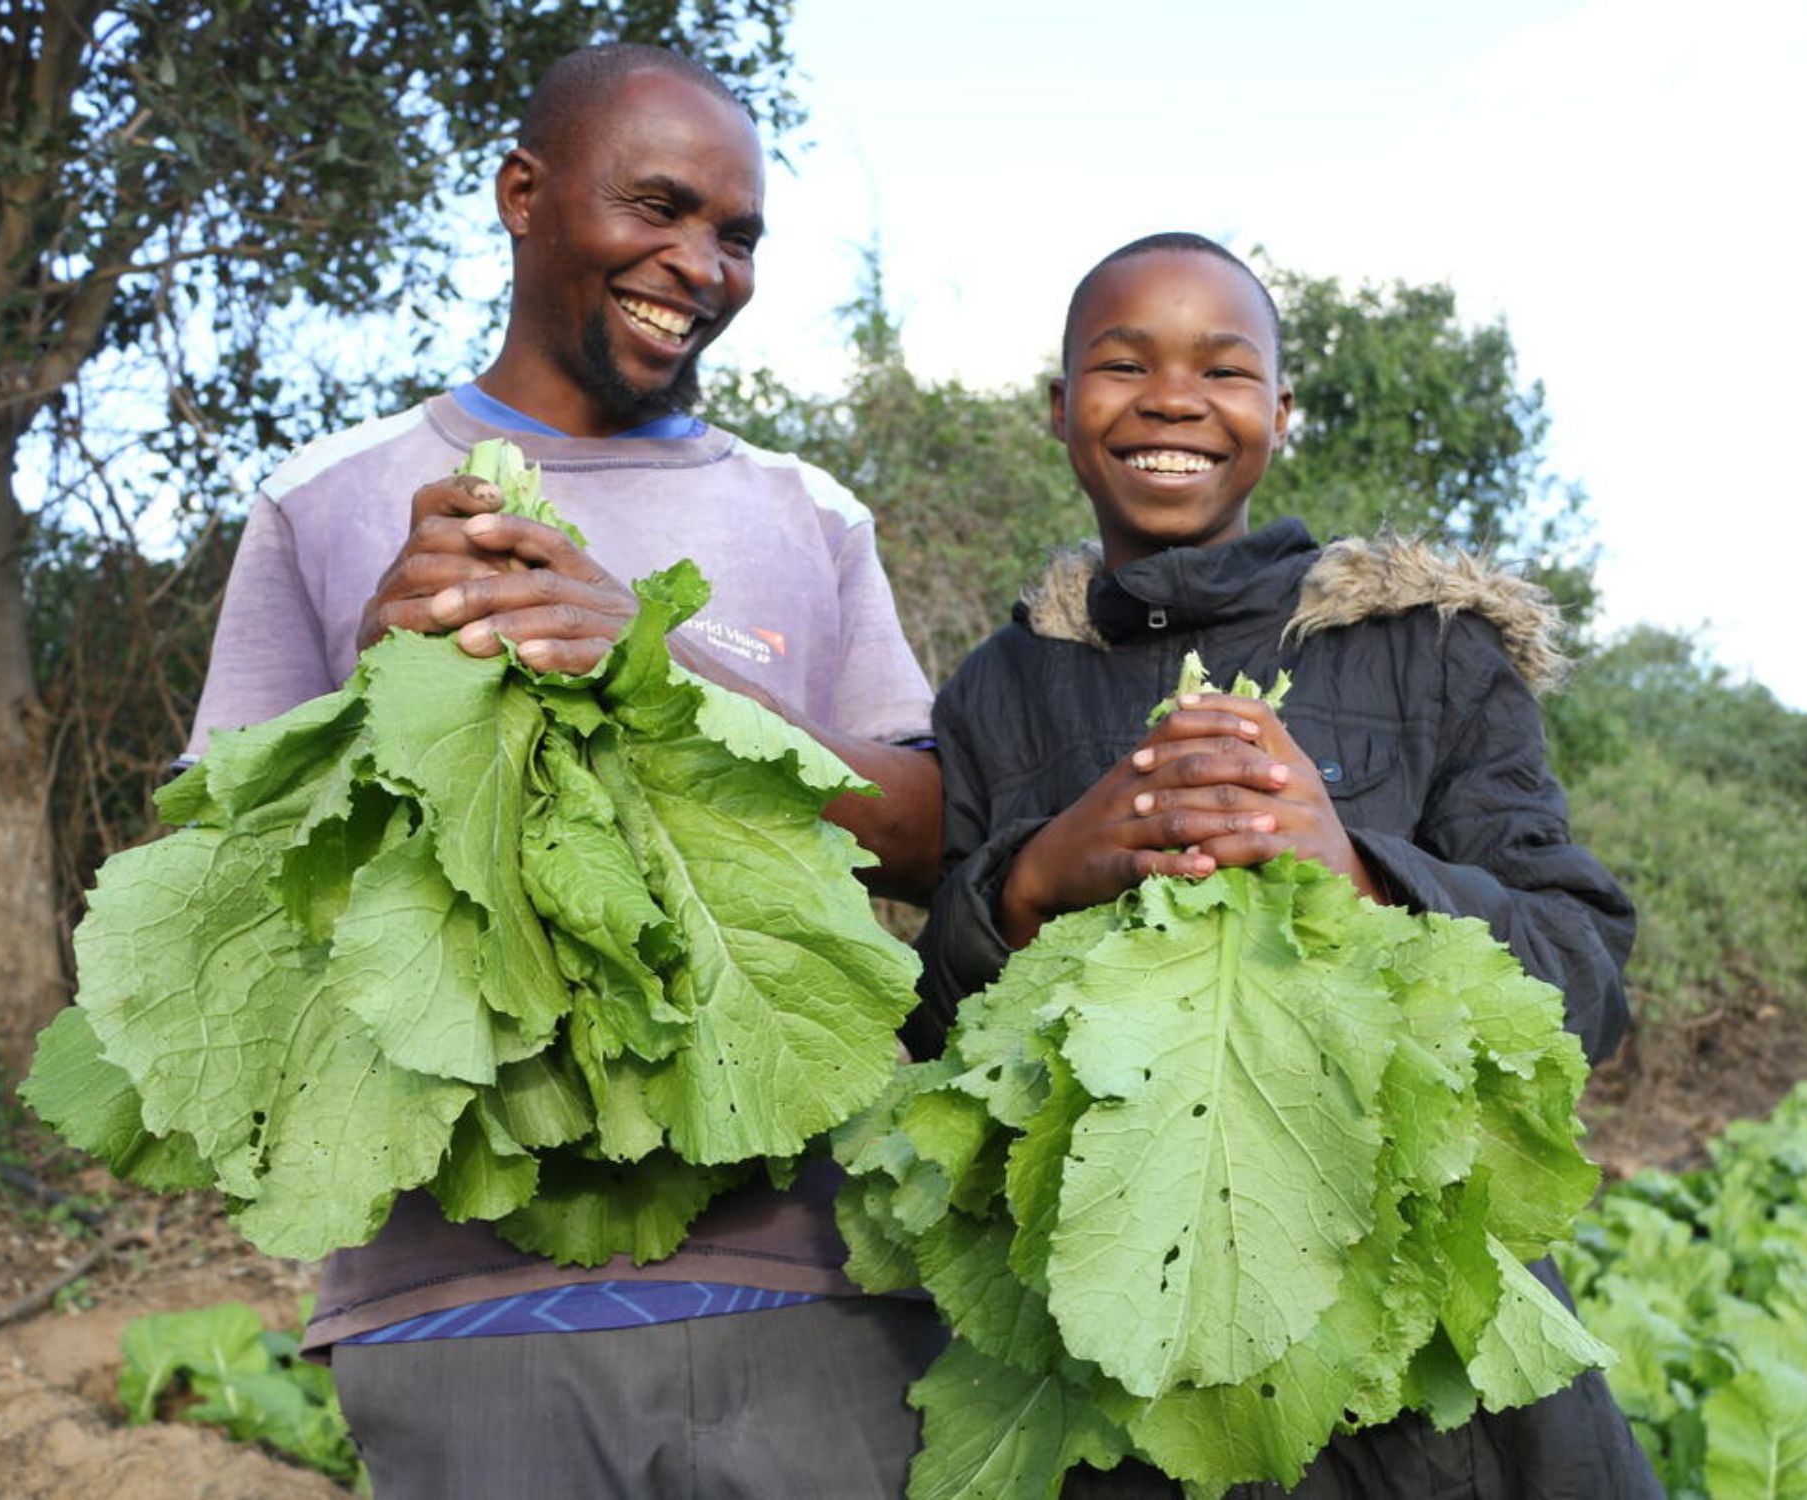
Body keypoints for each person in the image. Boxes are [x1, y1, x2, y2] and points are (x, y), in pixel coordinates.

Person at [184, 44, 945, 1497]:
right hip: (454, 1292)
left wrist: (650, 657)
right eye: (655, 209)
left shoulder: (808, 512)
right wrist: (374, 680)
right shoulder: (326, 503)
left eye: (736, 236)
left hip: (808, 1276)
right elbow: (220, 894)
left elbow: (921, 830)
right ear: (523, 196)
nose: (698, 265)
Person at [913, 232, 1664, 1498]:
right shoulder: (999, 689)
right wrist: (1034, 882)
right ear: (1059, 409)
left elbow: (1582, 978)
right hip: (1118, 1365)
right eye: (1120, 364)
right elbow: (947, 1051)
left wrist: (1357, 871)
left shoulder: (1425, 648)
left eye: (1221, 368)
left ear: (1278, 411)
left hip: (1422, 1368)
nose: (1169, 399)